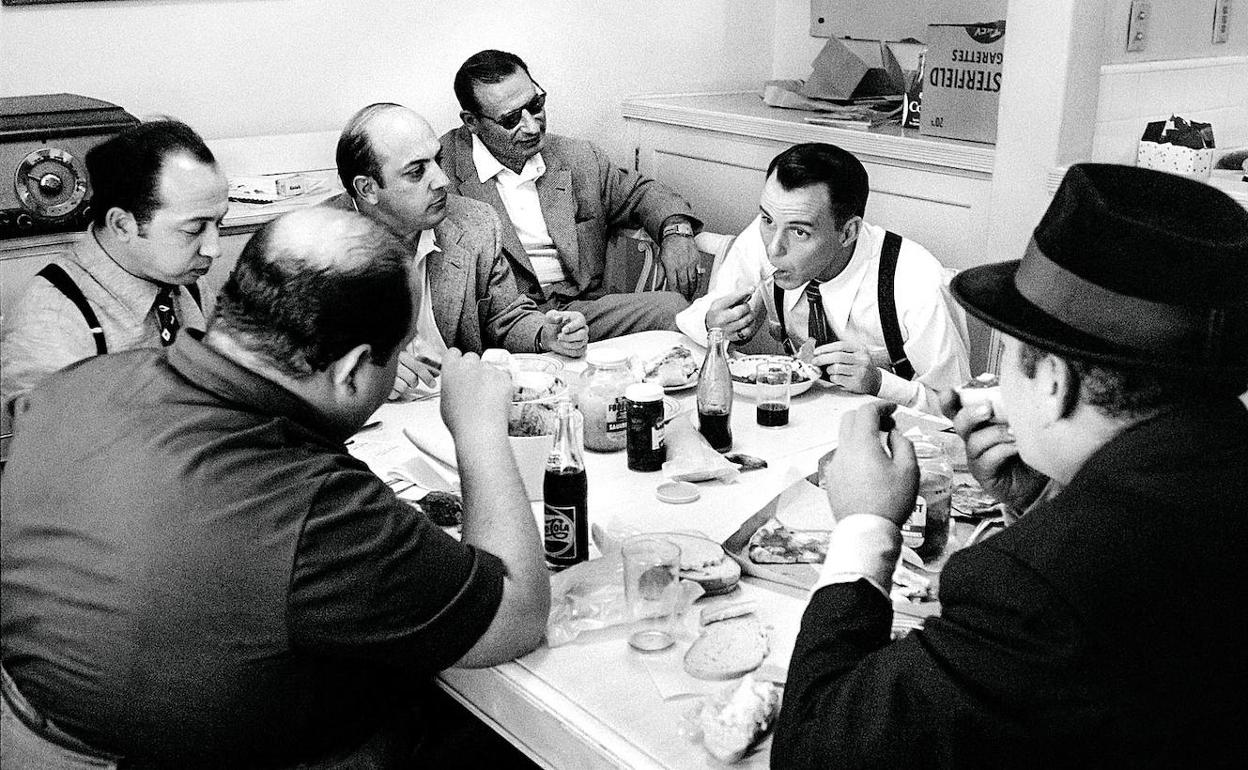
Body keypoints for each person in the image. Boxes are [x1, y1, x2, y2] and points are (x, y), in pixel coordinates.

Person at [0, 208, 550, 768]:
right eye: (402, 346)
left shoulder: (74, 385)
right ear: (353, 368)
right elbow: (517, 617)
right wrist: (480, 432)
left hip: (29, 735)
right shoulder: (315, 505)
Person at [772, 163, 1248, 768]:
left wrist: (864, 526)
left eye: (1009, 353)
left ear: (1053, 380)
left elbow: (818, 748)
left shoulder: (1031, 591)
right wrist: (1045, 505)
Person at [677, 143, 969, 415]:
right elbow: (699, 314)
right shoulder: (768, 234)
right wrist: (713, 325)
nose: (773, 249)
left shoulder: (916, 283)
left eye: (800, 232)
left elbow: (957, 412)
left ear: (848, 232)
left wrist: (880, 383)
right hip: (803, 423)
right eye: (767, 220)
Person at [329, 102, 587, 397]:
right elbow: (297, 357)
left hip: (455, 406)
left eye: (437, 160)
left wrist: (549, 334)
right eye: (416, 172)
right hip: (366, 418)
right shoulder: (315, 249)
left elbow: (504, 316)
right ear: (367, 189)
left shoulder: (475, 223)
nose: (442, 180)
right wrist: (364, 370)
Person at [441, 49, 702, 338]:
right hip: (502, 323)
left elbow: (641, 193)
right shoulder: (441, 173)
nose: (532, 126)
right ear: (472, 122)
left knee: (674, 309)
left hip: (580, 312)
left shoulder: (577, 158)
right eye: (511, 119)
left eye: (535, 105)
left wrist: (677, 231)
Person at [1, 119, 228, 412]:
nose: (215, 248)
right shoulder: (54, 322)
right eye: (194, 229)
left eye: (218, 223)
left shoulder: (186, 280)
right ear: (122, 225)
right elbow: (59, 450)